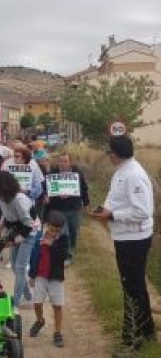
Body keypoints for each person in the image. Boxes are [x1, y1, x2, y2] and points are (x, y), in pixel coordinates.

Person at [89, 136, 155, 352]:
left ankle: (133, 339)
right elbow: (115, 199)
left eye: (108, 152)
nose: (107, 156)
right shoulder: (122, 171)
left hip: (134, 239)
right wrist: (104, 209)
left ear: (115, 154)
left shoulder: (134, 175)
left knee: (132, 289)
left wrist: (113, 215)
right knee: (135, 286)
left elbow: (142, 211)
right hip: (124, 237)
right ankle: (147, 333)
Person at [0, 170, 35, 310]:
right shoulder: (0, 197)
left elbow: (29, 222)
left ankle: (15, 303)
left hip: (29, 231)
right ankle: (29, 296)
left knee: (20, 267)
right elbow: (6, 214)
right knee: (15, 266)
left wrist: (18, 239)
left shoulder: (19, 199)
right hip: (15, 230)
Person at [28, 211, 69, 348]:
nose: (53, 233)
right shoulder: (39, 236)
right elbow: (34, 256)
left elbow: (63, 256)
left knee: (57, 305)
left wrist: (52, 245)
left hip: (55, 277)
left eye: (57, 231)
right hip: (40, 276)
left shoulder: (63, 239)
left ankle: (58, 333)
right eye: (51, 230)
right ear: (46, 225)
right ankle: (40, 320)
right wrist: (32, 275)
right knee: (37, 302)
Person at [44, 152, 89, 265]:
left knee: (73, 231)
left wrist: (86, 203)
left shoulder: (77, 174)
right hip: (57, 208)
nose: (62, 163)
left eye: (65, 161)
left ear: (70, 162)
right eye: (60, 161)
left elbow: (83, 188)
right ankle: (66, 255)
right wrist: (51, 195)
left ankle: (71, 250)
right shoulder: (52, 174)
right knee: (64, 232)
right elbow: (46, 189)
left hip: (73, 207)